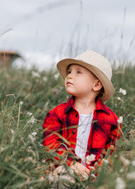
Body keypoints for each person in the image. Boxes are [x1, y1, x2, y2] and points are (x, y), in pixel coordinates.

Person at [43, 50, 122, 179]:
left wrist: (94, 174)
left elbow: (112, 153)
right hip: (63, 169)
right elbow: (51, 143)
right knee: (62, 180)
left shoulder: (111, 119)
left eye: (78, 72)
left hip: (93, 176)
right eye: (69, 72)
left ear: (96, 85)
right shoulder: (56, 113)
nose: (69, 76)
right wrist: (71, 164)